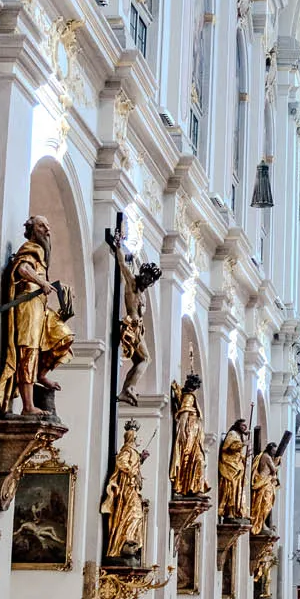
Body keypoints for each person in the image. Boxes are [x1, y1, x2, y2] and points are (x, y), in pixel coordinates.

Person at [0, 215, 75, 417]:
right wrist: (42, 283)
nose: (47, 230)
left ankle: (41, 373)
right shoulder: (30, 248)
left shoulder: (40, 253)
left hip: (40, 306)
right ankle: (28, 405)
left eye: (48, 226)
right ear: (32, 229)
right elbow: (23, 269)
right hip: (28, 304)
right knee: (28, 351)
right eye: (42, 226)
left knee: (62, 336)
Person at [107, 225, 161, 404]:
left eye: (150, 280)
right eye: (146, 277)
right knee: (146, 358)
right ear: (142, 274)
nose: (147, 281)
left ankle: (127, 388)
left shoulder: (143, 294)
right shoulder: (132, 284)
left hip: (137, 329)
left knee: (141, 360)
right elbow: (122, 264)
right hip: (131, 327)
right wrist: (118, 246)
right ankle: (128, 387)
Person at [101, 420, 148, 559]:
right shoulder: (127, 450)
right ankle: (125, 540)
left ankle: (129, 538)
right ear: (132, 437)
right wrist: (132, 472)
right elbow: (121, 462)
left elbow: (133, 464)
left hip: (132, 487)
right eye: (138, 437)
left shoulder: (133, 452)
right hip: (126, 488)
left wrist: (141, 459)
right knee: (133, 513)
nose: (140, 439)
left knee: (136, 513)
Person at [169, 373, 208, 500]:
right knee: (192, 458)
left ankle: (194, 487)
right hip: (190, 431)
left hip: (195, 432)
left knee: (197, 460)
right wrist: (182, 432)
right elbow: (184, 414)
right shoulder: (189, 397)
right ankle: (186, 487)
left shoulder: (189, 396)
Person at [216, 417, 249, 521]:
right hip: (230, 466)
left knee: (238, 489)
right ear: (238, 425)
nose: (245, 428)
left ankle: (236, 510)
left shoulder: (239, 436)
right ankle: (229, 511)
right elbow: (227, 447)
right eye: (243, 425)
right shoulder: (232, 434)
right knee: (231, 488)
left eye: (245, 426)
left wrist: (245, 455)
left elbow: (237, 454)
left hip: (237, 466)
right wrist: (243, 444)